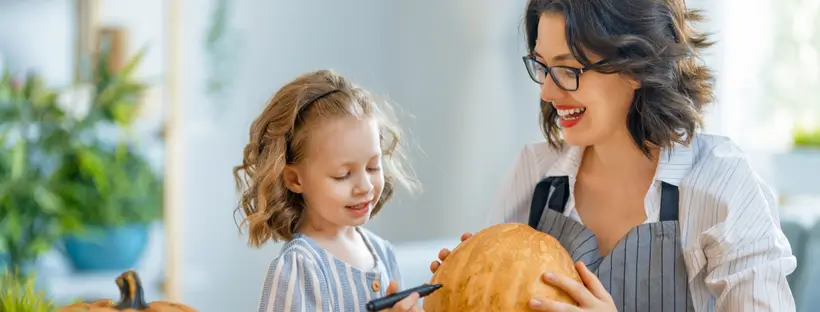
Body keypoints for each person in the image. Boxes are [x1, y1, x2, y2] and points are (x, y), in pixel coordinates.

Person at [430, 0, 798, 311]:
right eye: (542, 66)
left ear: (637, 67)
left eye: (569, 69)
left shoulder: (721, 182)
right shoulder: (536, 170)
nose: (546, 92)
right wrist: (464, 286)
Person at [234, 69, 423, 312]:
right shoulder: (300, 267)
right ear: (294, 179)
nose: (365, 186)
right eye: (343, 175)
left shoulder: (384, 253)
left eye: (373, 167)